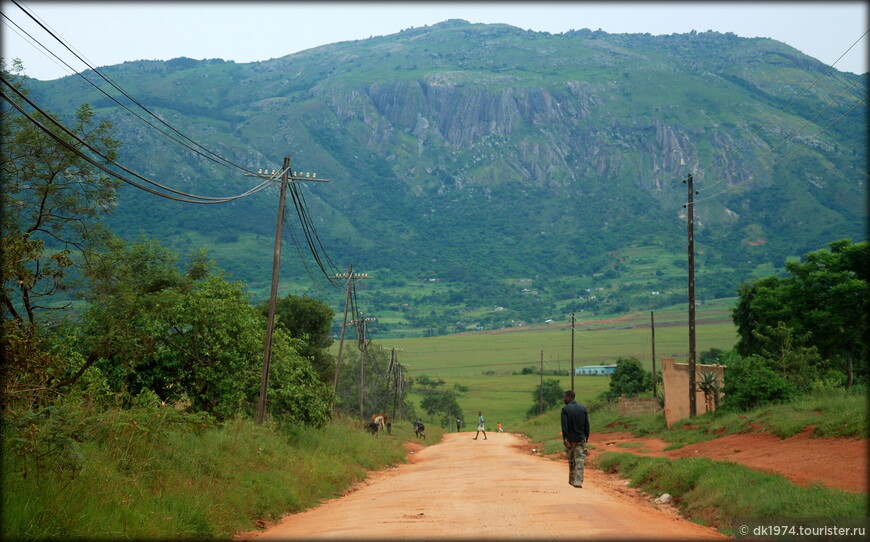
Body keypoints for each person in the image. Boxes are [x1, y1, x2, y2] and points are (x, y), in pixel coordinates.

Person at [561, 389, 590, 488]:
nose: (563, 399)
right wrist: (586, 437)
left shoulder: (565, 410)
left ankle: (572, 480)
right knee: (580, 459)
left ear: (569, 397)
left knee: (571, 460)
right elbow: (587, 425)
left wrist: (565, 438)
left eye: (564, 397)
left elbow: (564, 426)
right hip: (581, 438)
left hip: (570, 439)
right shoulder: (583, 409)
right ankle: (578, 482)